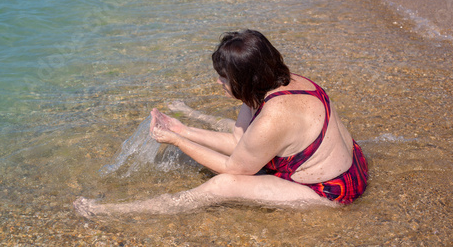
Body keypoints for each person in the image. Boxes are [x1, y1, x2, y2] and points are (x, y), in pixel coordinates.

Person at [74, 29, 368, 217]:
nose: (218, 81)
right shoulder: (284, 83)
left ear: (244, 79)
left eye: (224, 77)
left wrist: (176, 142)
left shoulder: (273, 117)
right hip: (352, 164)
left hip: (333, 190)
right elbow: (241, 144)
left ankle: (113, 211)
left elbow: (234, 169)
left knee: (222, 186)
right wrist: (182, 129)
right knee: (242, 152)